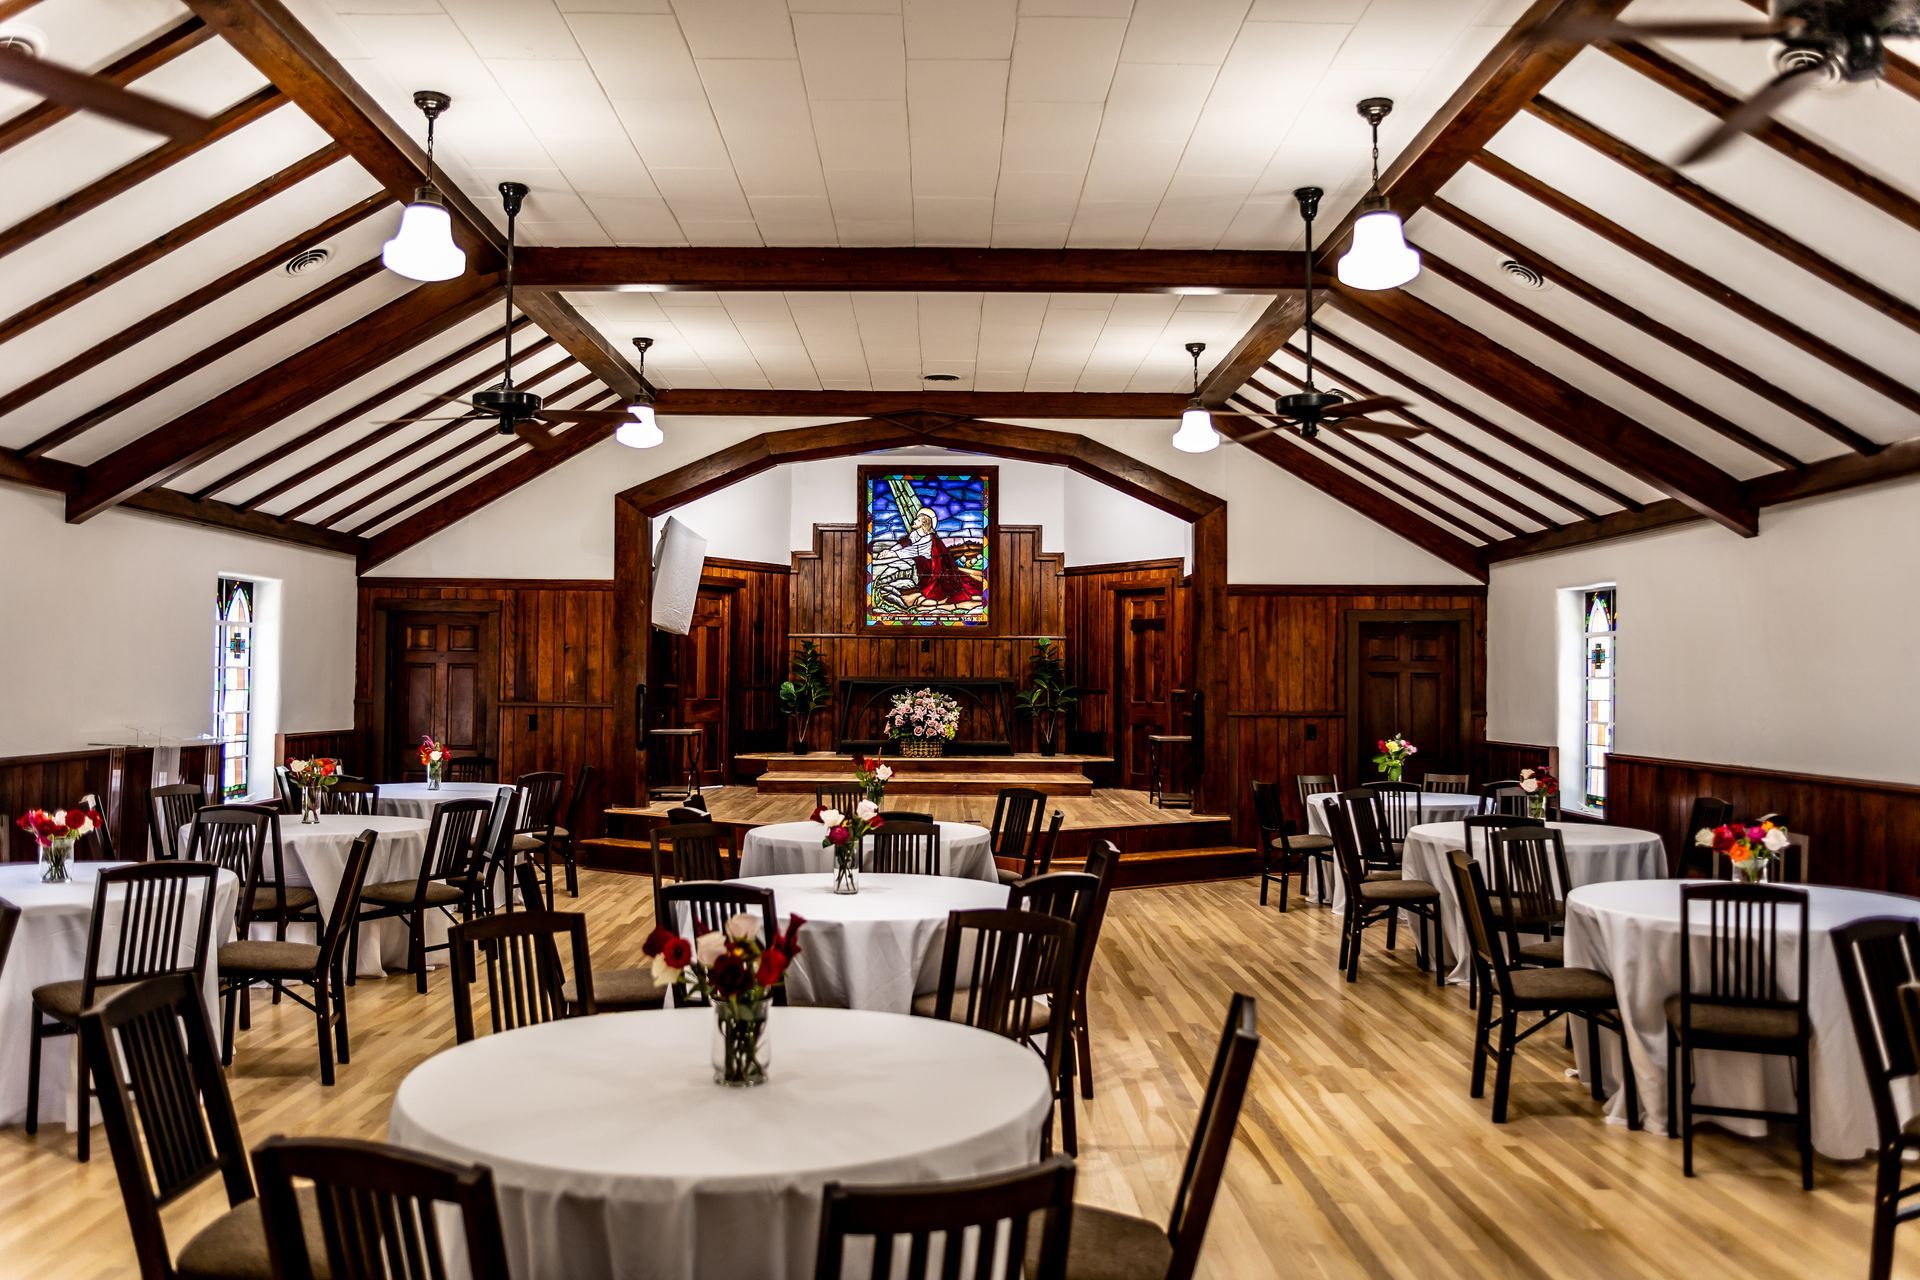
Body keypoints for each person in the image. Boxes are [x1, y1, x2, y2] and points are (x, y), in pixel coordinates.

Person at [870, 508, 982, 613]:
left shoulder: (929, 539)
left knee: (934, 592)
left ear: (924, 523)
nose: (914, 521)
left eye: (917, 520)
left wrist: (892, 554)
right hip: (923, 569)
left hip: (934, 571)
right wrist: (889, 550)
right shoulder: (915, 534)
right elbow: (905, 543)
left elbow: (913, 550)